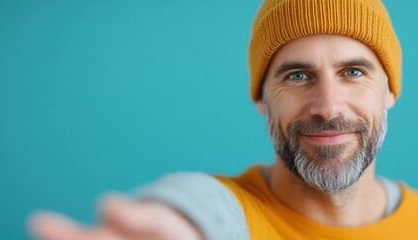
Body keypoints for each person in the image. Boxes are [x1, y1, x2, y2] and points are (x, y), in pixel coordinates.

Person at [29, 0, 418, 239]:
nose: (328, 107)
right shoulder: (229, 214)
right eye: (297, 76)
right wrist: (183, 223)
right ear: (261, 100)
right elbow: (203, 207)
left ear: (390, 92)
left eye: (353, 72)